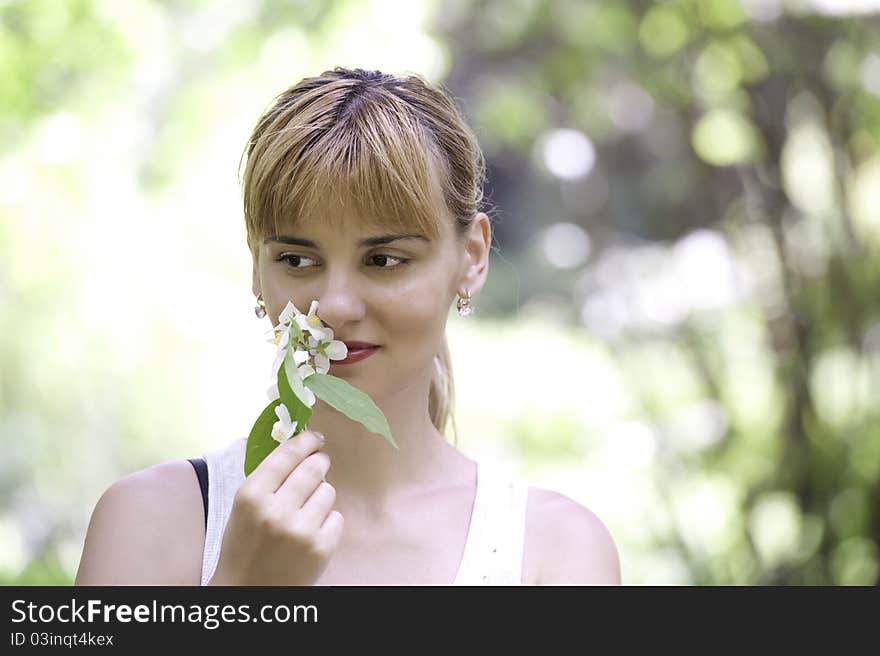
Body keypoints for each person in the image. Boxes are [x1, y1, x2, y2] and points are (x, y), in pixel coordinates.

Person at [75, 67, 621, 586]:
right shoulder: (151, 522)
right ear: (256, 269)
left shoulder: (554, 549)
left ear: (472, 257)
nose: (334, 306)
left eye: (383, 260)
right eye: (296, 260)